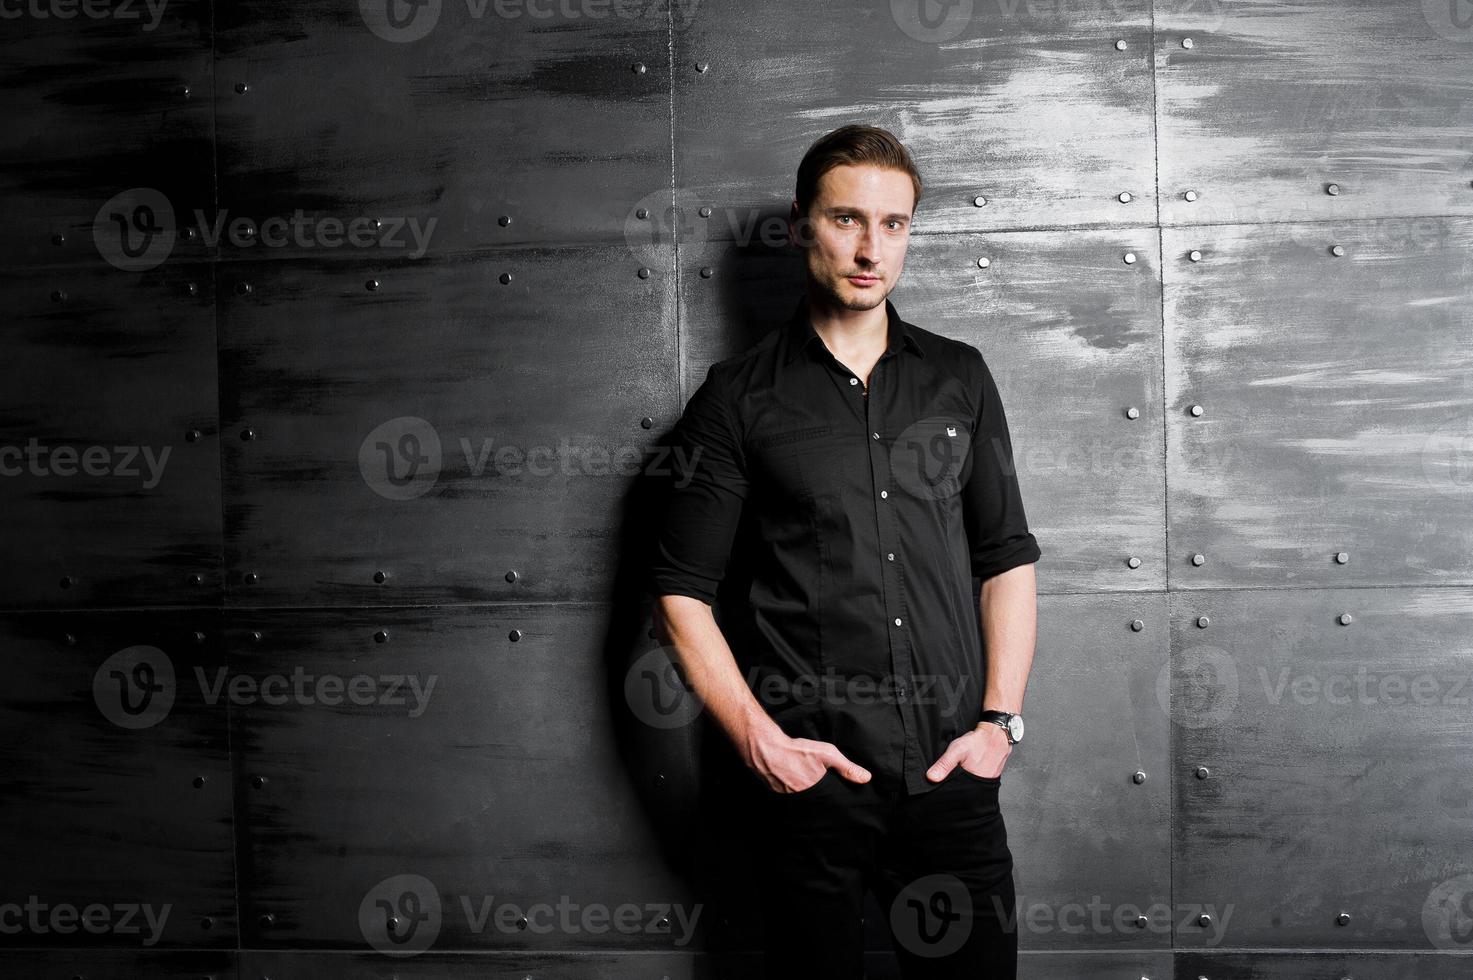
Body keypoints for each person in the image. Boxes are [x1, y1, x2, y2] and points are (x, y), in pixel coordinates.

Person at [648, 123, 1040, 979]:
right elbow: (679, 588)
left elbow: (1005, 558)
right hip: (810, 788)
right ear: (800, 225)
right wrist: (762, 743)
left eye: (893, 224)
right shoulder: (736, 399)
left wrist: (997, 726)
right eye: (847, 220)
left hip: (951, 777)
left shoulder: (959, 377)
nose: (871, 249)